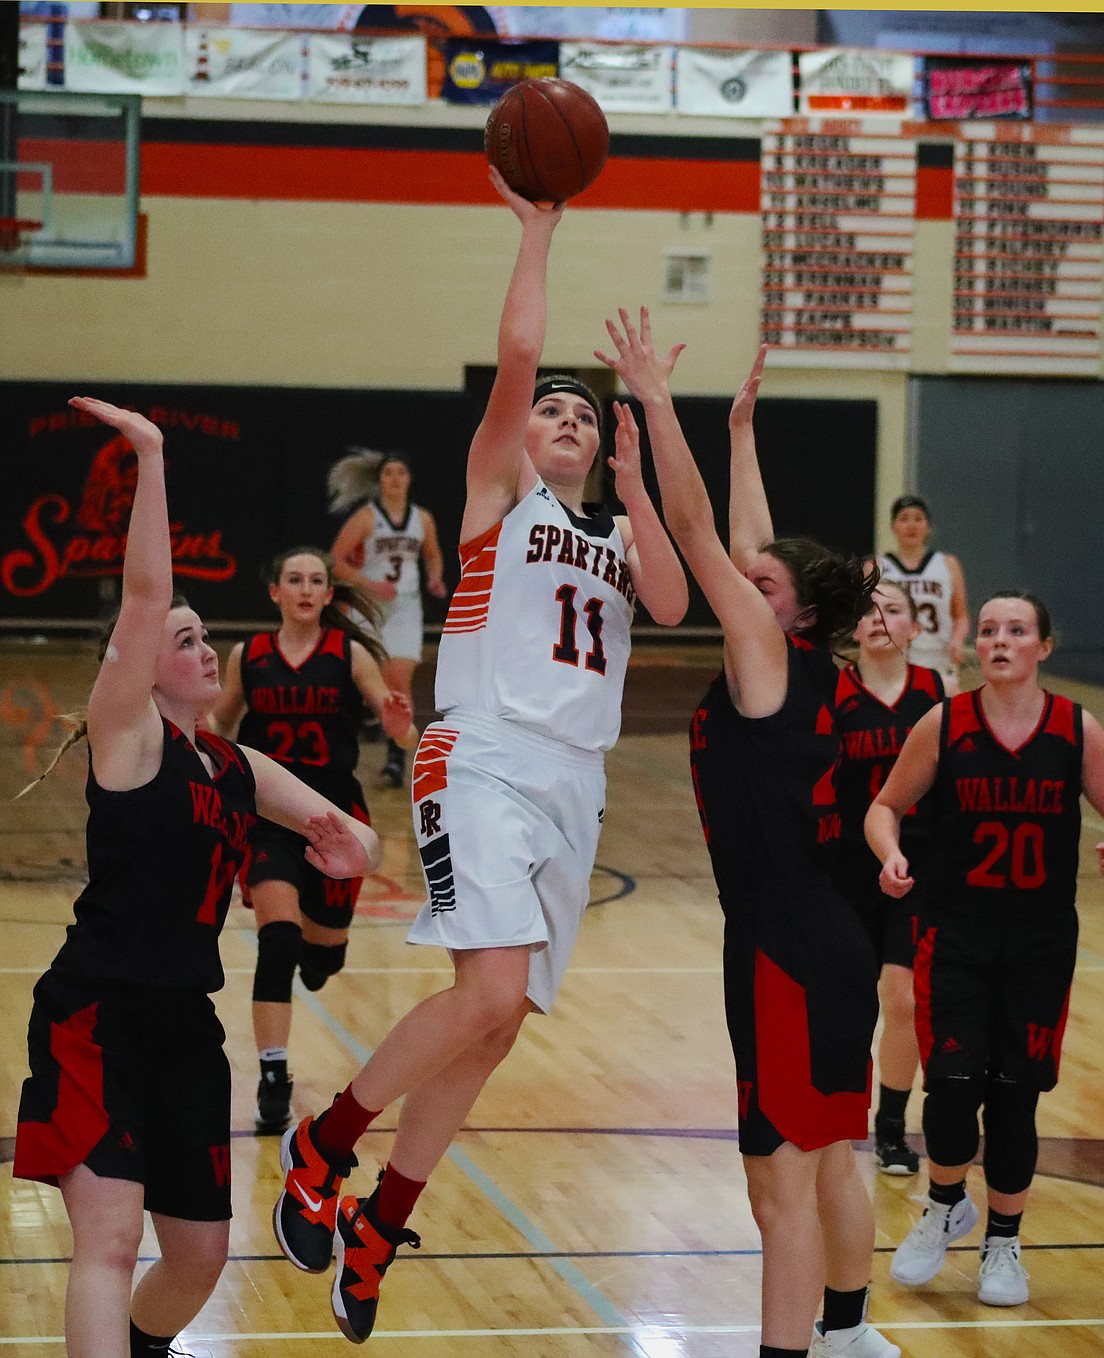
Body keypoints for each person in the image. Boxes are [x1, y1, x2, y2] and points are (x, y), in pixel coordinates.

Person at [272, 169, 689, 1345]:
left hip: (577, 779)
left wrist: (640, 468)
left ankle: (380, 1215)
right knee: (492, 990)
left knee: (494, 1020)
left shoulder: (611, 523)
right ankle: (325, 1145)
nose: (562, 418)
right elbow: (516, 359)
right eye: (553, 411)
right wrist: (538, 234)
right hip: (485, 750)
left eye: (581, 414)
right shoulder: (501, 496)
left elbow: (664, 601)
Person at [13, 399, 381, 1358]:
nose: (203, 646)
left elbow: (339, 828)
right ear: (133, 669)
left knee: (203, 1255)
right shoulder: (127, 738)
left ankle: (139, 1347)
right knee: (108, 1240)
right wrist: (151, 455)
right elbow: (143, 598)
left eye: (204, 635)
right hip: (97, 1015)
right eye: (184, 640)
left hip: (184, 1024)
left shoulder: (232, 763)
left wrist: (351, 845)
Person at [596, 327, 894, 1358]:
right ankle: (851, 1334)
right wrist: (740, 434)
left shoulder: (769, 652)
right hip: (820, 941)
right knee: (827, 1161)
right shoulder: (800, 652)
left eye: (760, 584)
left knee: (779, 1191)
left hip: (785, 950)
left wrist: (654, 398)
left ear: (795, 611)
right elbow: (752, 538)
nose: (740, 586)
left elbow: (696, 530)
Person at [866, 591, 1104, 1307]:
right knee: (954, 1090)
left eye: (1016, 631)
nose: (999, 640)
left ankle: (1004, 1243)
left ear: (1043, 648)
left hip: (1039, 942)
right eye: (988, 630)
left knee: (1015, 1102)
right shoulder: (946, 723)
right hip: (954, 932)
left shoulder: (1077, 732)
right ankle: (943, 1205)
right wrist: (890, 853)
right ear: (975, 647)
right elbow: (884, 806)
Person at [208, 547, 415, 1135]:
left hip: (336, 821)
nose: (305, 588)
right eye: (293, 578)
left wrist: (400, 727)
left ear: (329, 594)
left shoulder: (349, 655)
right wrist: (198, 740)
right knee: (278, 940)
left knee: (321, 960)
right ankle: (274, 1076)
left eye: (316, 580)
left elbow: (396, 726)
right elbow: (222, 719)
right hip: (271, 818)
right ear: (275, 591)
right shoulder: (247, 655)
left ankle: (324, 952)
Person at [830, 581, 946, 1177]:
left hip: (918, 867)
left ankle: (892, 1127)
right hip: (847, 868)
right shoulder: (833, 694)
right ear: (854, 629)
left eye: (893, 611)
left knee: (902, 999)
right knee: (845, 1001)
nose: (879, 619)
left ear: (913, 630)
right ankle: (831, 1118)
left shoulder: (936, 695)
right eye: (869, 611)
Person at [328, 448, 446, 787]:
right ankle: (368, 715)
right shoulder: (366, 517)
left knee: (399, 679)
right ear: (379, 480)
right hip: (370, 606)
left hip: (406, 608)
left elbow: (433, 554)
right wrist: (369, 583)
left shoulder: (422, 518)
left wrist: (435, 578)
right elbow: (335, 561)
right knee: (372, 680)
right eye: (388, 473)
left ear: (409, 479)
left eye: (400, 473)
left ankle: (396, 760)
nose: (394, 479)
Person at [878, 495, 969, 681]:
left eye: (918, 519)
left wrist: (957, 641)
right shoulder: (876, 567)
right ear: (893, 527)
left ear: (928, 526)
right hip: (893, 657)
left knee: (944, 708)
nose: (912, 525)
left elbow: (960, 616)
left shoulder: (948, 564)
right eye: (904, 519)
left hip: (938, 658)